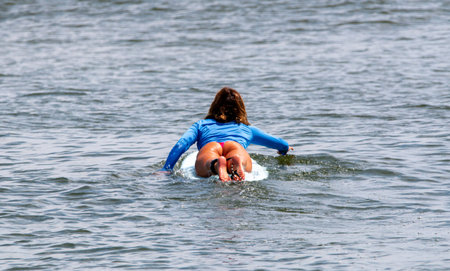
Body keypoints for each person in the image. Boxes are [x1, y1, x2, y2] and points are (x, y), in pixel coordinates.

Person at [161, 87, 293, 182]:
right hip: (235, 146)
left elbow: (181, 144)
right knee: (240, 159)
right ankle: (234, 162)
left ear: (214, 105)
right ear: (240, 108)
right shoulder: (247, 129)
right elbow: (279, 143)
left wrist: (166, 168)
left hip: (211, 146)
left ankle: (217, 165)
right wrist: (284, 149)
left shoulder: (201, 125)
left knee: (207, 165)